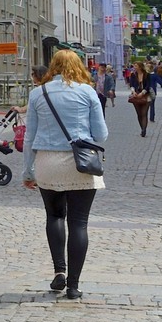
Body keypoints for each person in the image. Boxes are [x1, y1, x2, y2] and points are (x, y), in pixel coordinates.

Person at [22, 49, 106, 300]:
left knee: (55, 216)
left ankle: (59, 270)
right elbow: (101, 135)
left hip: (47, 161)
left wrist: (28, 170)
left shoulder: (38, 93)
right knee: (79, 223)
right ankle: (74, 285)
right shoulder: (87, 92)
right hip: (80, 162)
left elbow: (29, 137)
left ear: (52, 67)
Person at [127, 62, 153, 137]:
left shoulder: (147, 75)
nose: (134, 67)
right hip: (136, 95)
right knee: (139, 114)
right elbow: (131, 84)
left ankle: (144, 130)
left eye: (136, 66)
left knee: (144, 113)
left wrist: (143, 92)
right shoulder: (133, 74)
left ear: (140, 67)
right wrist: (133, 91)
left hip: (145, 95)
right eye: (134, 66)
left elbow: (148, 85)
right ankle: (142, 128)